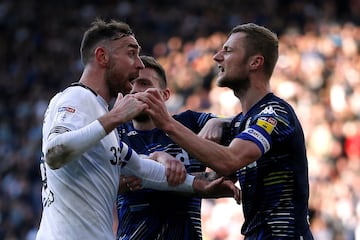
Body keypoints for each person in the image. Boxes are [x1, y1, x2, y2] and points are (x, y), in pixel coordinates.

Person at [36, 18, 240, 240]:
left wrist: (201, 185)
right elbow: (54, 153)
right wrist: (114, 117)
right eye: (131, 53)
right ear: (102, 57)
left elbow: (142, 169)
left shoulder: (105, 124)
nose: (140, 64)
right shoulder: (77, 96)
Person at [138, 23, 314, 239]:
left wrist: (168, 124)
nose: (217, 57)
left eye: (228, 50)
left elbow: (229, 160)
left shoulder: (275, 113)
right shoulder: (240, 123)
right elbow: (212, 177)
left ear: (255, 62)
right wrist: (157, 159)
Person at [116, 55, 237, 240]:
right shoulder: (116, 135)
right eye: (131, 83)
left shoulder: (189, 122)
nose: (135, 90)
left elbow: (248, 120)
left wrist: (220, 122)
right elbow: (106, 183)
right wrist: (157, 158)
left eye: (144, 83)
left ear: (164, 95)